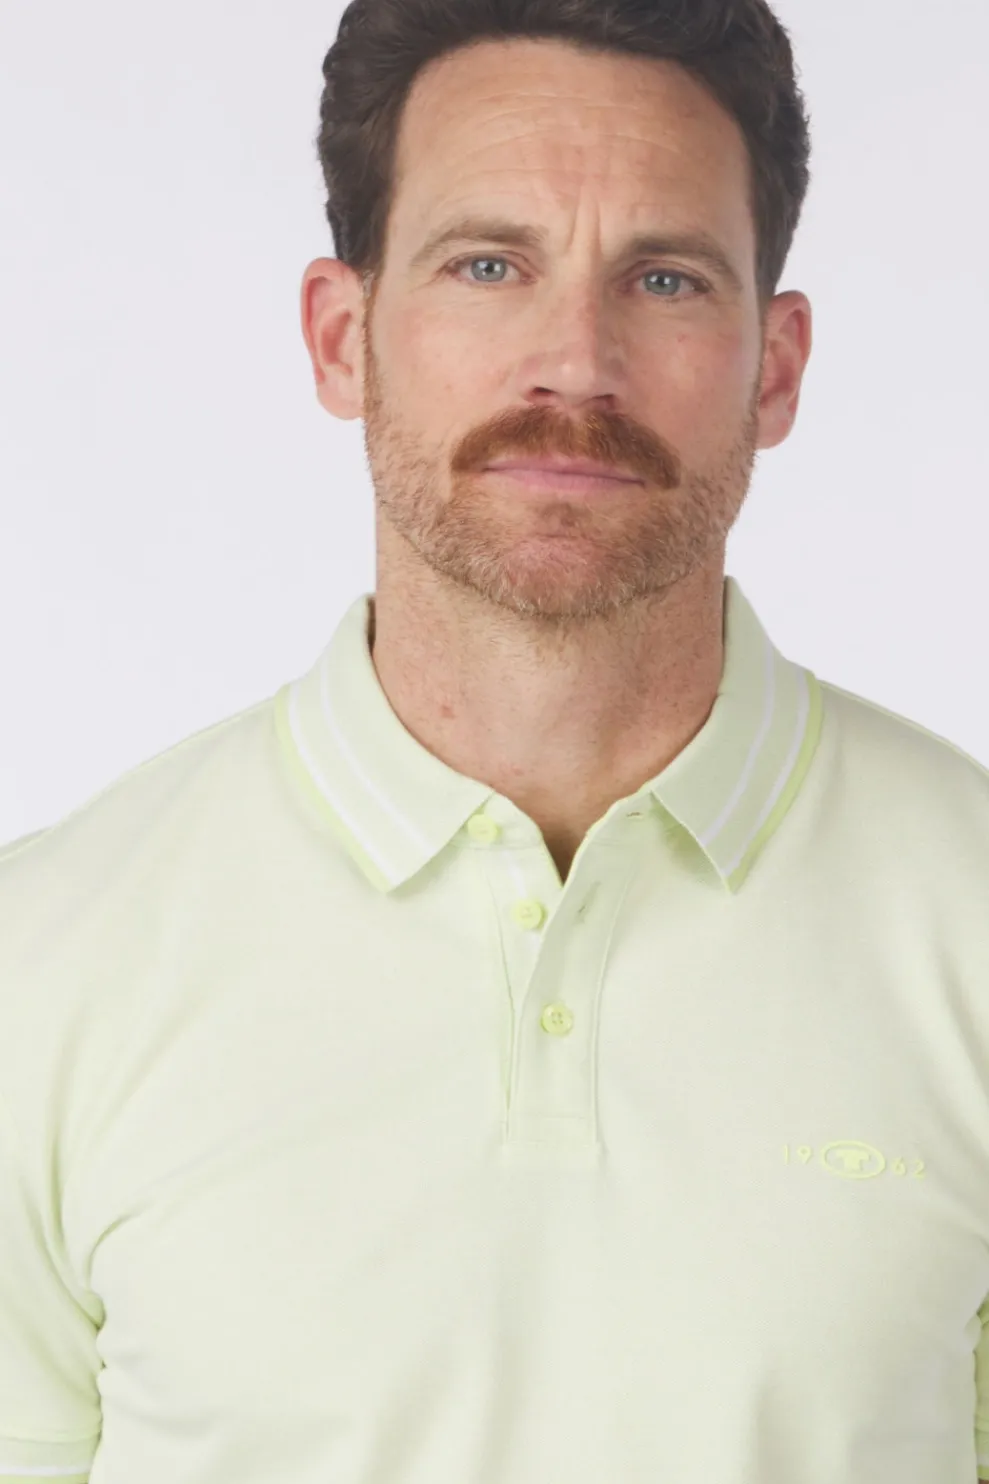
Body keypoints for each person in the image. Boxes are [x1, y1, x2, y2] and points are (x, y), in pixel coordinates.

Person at [2, 1, 989, 1481]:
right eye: (487, 265)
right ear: (343, 339)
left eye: (664, 278)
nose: (575, 364)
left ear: (776, 368)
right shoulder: (43, 965)